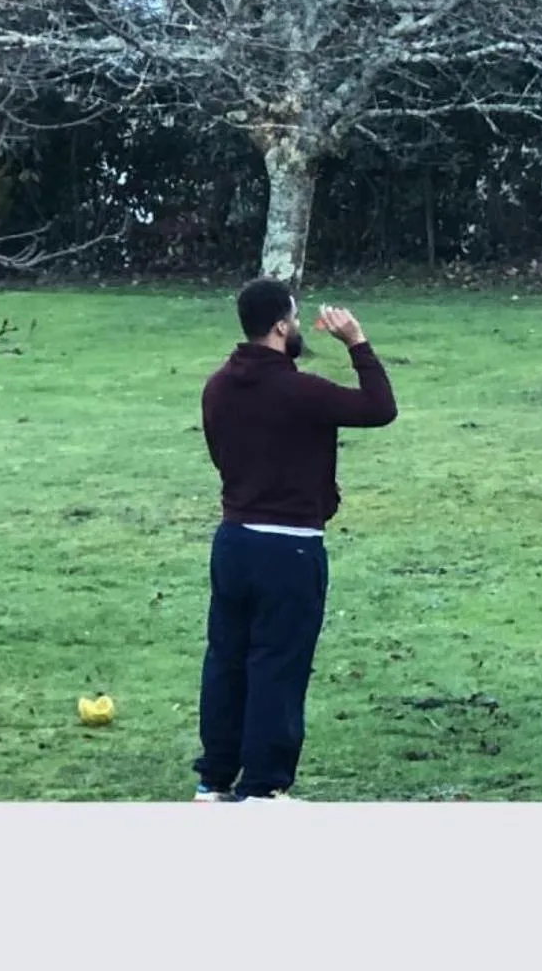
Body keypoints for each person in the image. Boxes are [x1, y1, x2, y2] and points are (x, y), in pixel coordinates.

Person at [194, 279, 398, 802]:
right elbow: (379, 407)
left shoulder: (216, 386)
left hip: (234, 540)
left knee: (227, 660)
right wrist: (356, 342)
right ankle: (263, 788)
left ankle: (214, 779)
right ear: (281, 326)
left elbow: (223, 455)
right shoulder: (301, 390)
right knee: (277, 665)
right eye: (295, 317)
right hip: (289, 547)